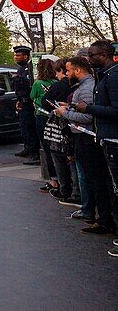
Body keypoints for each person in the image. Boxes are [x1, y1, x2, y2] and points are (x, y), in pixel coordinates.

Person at [56, 56, 112, 234]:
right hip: (84, 138)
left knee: (96, 180)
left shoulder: (87, 87)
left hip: (87, 139)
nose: (67, 73)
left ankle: (105, 219)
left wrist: (65, 113)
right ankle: (101, 217)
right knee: (93, 179)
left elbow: (88, 116)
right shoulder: (85, 86)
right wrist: (70, 107)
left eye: (69, 70)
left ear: (78, 70)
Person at [77, 41, 118, 236]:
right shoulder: (103, 76)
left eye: (91, 55)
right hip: (106, 138)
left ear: (103, 55)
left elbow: (116, 110)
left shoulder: (112, 77)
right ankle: (107, 222)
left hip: (114, 139)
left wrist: (89, 108)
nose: (89, 58)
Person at [43, 59, 78, 205]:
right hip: (75, 126)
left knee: (60, 157)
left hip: (63, 125)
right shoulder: (77, 86)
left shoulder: (59, 86)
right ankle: (76, 191)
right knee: (73, 160)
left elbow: (45, 101)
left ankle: (68, 190)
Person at [31, 55, 59, 193]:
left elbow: (32, 96)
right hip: (55, 116)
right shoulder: (56, 82)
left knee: (46, 147)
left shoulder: (38, 84)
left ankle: (53, 180)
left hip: (42, 116)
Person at [11, 45, 39, 163]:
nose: (16, 57)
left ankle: (34, 153)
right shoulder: (21, 69)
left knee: (29, 127)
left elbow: (29, 86)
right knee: (24, 127)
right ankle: (27, 148)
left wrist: (19, 79)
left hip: (29, 103)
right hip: (22, 101)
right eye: (15, 55)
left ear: (26, 56)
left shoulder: (29, 69)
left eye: (18, 55)